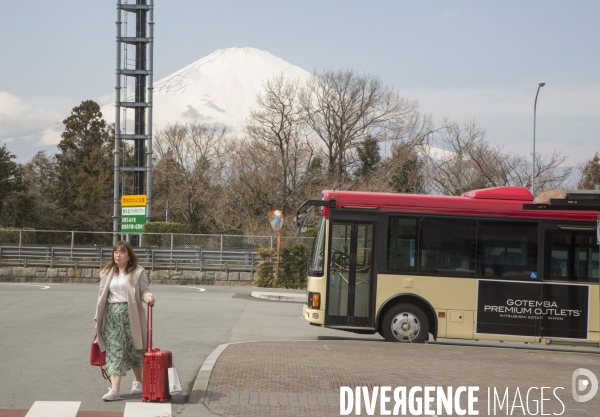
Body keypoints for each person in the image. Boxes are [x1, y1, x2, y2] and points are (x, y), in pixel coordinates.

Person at [94, 241, 155, 401]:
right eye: (116, 252)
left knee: (134, 350)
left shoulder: (137, 272)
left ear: (129, 255)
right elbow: (101, 296)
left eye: (122, 252)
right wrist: (97, 319)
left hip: (131, 315)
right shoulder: (106, 272)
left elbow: (144, 290)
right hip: (112, 316)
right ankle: (115, 389)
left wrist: (148, 297)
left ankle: (138, 381)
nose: (118, 255)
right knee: (115, 351)